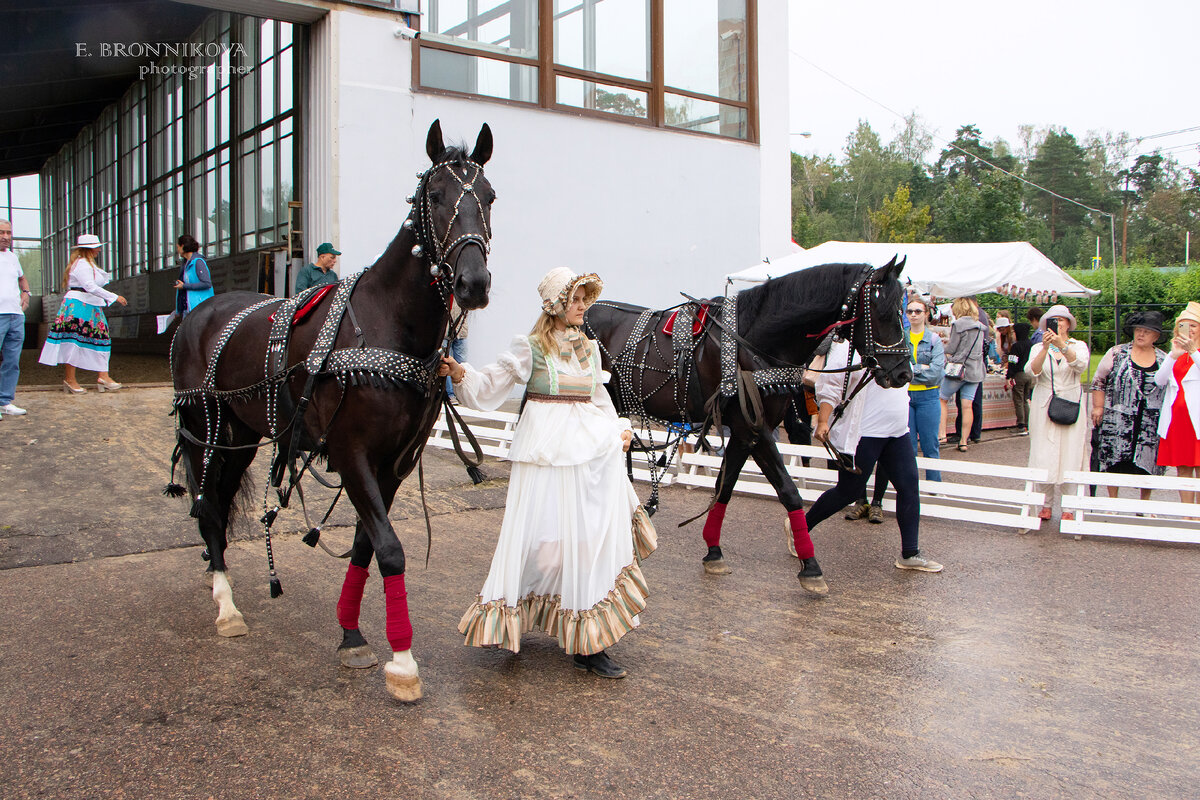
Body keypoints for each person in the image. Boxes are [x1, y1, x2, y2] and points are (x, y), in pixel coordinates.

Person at [445, 267, 655, 679]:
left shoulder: (590, 350)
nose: (582, 307)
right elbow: (492, 383)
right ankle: (514, 616)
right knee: (540, 538)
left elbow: (599, 398)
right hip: (546, 454)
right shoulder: (532, 347)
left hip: (590, 455)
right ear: (557, 304)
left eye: (584, 300)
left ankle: (589, 642)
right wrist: (461, 373)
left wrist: (619, 428)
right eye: (575, 300)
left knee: (588, 540)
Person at [807, 336, 942, 572]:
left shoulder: (898, 341)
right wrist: (823, 420)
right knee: (847, 492)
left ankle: (910, 553)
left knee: (909, 487)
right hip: (864, 432)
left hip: (898, 430)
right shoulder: (850, 344)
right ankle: (801, 528)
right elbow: (830, 384)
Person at [847, 296, 945, 523]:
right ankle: (866, 501)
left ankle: (932, 489)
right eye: (910, 311)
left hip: (926, 394)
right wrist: (914, 369)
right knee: (893, 447)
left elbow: (936, 372)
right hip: (896, 394)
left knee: (930, 443)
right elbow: (894, 367)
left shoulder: (933, 340)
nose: (913, 315)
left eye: (918, 311)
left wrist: (909, 370)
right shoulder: (899, 335)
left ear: (926, 314)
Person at [1090, 311, 1167, 502]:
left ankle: (1144, 504)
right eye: (1138, 330)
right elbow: (1099, 381)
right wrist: (1098, 407)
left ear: (1155, 336)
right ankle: (1113, 501)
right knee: (1113, 459)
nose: (1141, 334)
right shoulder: (1116, 353)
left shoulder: (1164, 359)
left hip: (1150, 421)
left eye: (1146, 332)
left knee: (1148, 463)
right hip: (1117, 417)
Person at [38, 234, 128, 393]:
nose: (99, 250)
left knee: (102, 338)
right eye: (97, 247)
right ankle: (70, 379)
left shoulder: (88, 264)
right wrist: (114, 297)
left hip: (91, 305)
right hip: (79, 305)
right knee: (74, 341)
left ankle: (103, 375)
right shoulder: (82, 265)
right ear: (90, 249)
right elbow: (90, 286)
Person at [1026, 305, 1090, 521]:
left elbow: (1080, 366)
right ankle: (1044, 503)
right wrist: (1045, 348)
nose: (1058, 324)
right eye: (1054, 321)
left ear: (1069, 324)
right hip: (1044, 403)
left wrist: (1061, 345)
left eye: (1062, 320)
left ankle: (1069, 507)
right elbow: (1032, 371)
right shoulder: (1037, 348)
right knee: (1043, 451)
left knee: (1072, 451)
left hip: (1070, 402)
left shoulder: (1078, 345)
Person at [1154, 302, 1200, 506]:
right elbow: (1159, 380)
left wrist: (1193, 352)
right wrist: (1173, 355)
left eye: (1194, 326)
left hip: (1196, 419)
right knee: (1183, 468)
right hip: (1178, 420)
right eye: (1184, 325)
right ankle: (1187, 514)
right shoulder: (1175, 353)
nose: (1189, 330)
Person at [939, 298, 986, 452]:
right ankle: (964, 441)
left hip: (958, 370)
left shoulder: (958, 325)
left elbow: (952, 348)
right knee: (967, 406)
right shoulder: (980, 327)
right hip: (975, 370)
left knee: (942, 398)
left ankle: (942, 434)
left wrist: (942, 344)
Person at [0, 219, 31, 417]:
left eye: (8, 233)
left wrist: (26, 292)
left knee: (12, 360)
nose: (5, 237)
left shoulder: (12, 256)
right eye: (1, 232)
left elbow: (22, 277)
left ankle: (4, 401)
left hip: (15, 315)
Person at [173, 234, 214, 317]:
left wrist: (184, 286)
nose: (177, 250)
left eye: (178, 247)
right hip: (189, 309)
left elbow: (207, 283)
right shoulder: (185, 264)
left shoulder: (198, 262)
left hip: (199, 309)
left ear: (183, 246)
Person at [1006, 322, 1035, 435]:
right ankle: (1028, 423)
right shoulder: (1031, 344)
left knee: (1018, 399)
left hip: (1019, 374)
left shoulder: (1016, 346)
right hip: (1029, 375)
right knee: (1025, 399)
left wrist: (1009, 376)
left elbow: (1012, 363)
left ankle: (1021, 425)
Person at [444, 296, 469, 402]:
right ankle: (450, 394)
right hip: (445, 332)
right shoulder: (444, 289)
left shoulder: (462, 289)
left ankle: (462, 393)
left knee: (462, 363)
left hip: (461, 330)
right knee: (447, 363)